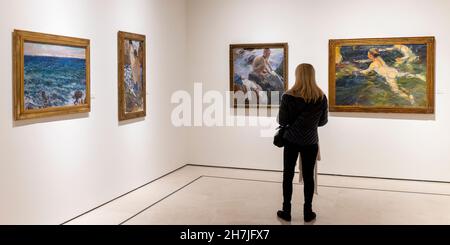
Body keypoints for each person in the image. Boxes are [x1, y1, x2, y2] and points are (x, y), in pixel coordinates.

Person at [277, 64, 328, 223]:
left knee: (288, 175)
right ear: (313, 75)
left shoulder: (288, 96)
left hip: (291, 141)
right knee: (308, 177)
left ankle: (286, 210)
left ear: (297, 75)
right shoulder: (320, 97)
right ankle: (308, 211)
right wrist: (308, 125)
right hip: (310, 142)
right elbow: (323, 122)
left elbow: (282, 120)